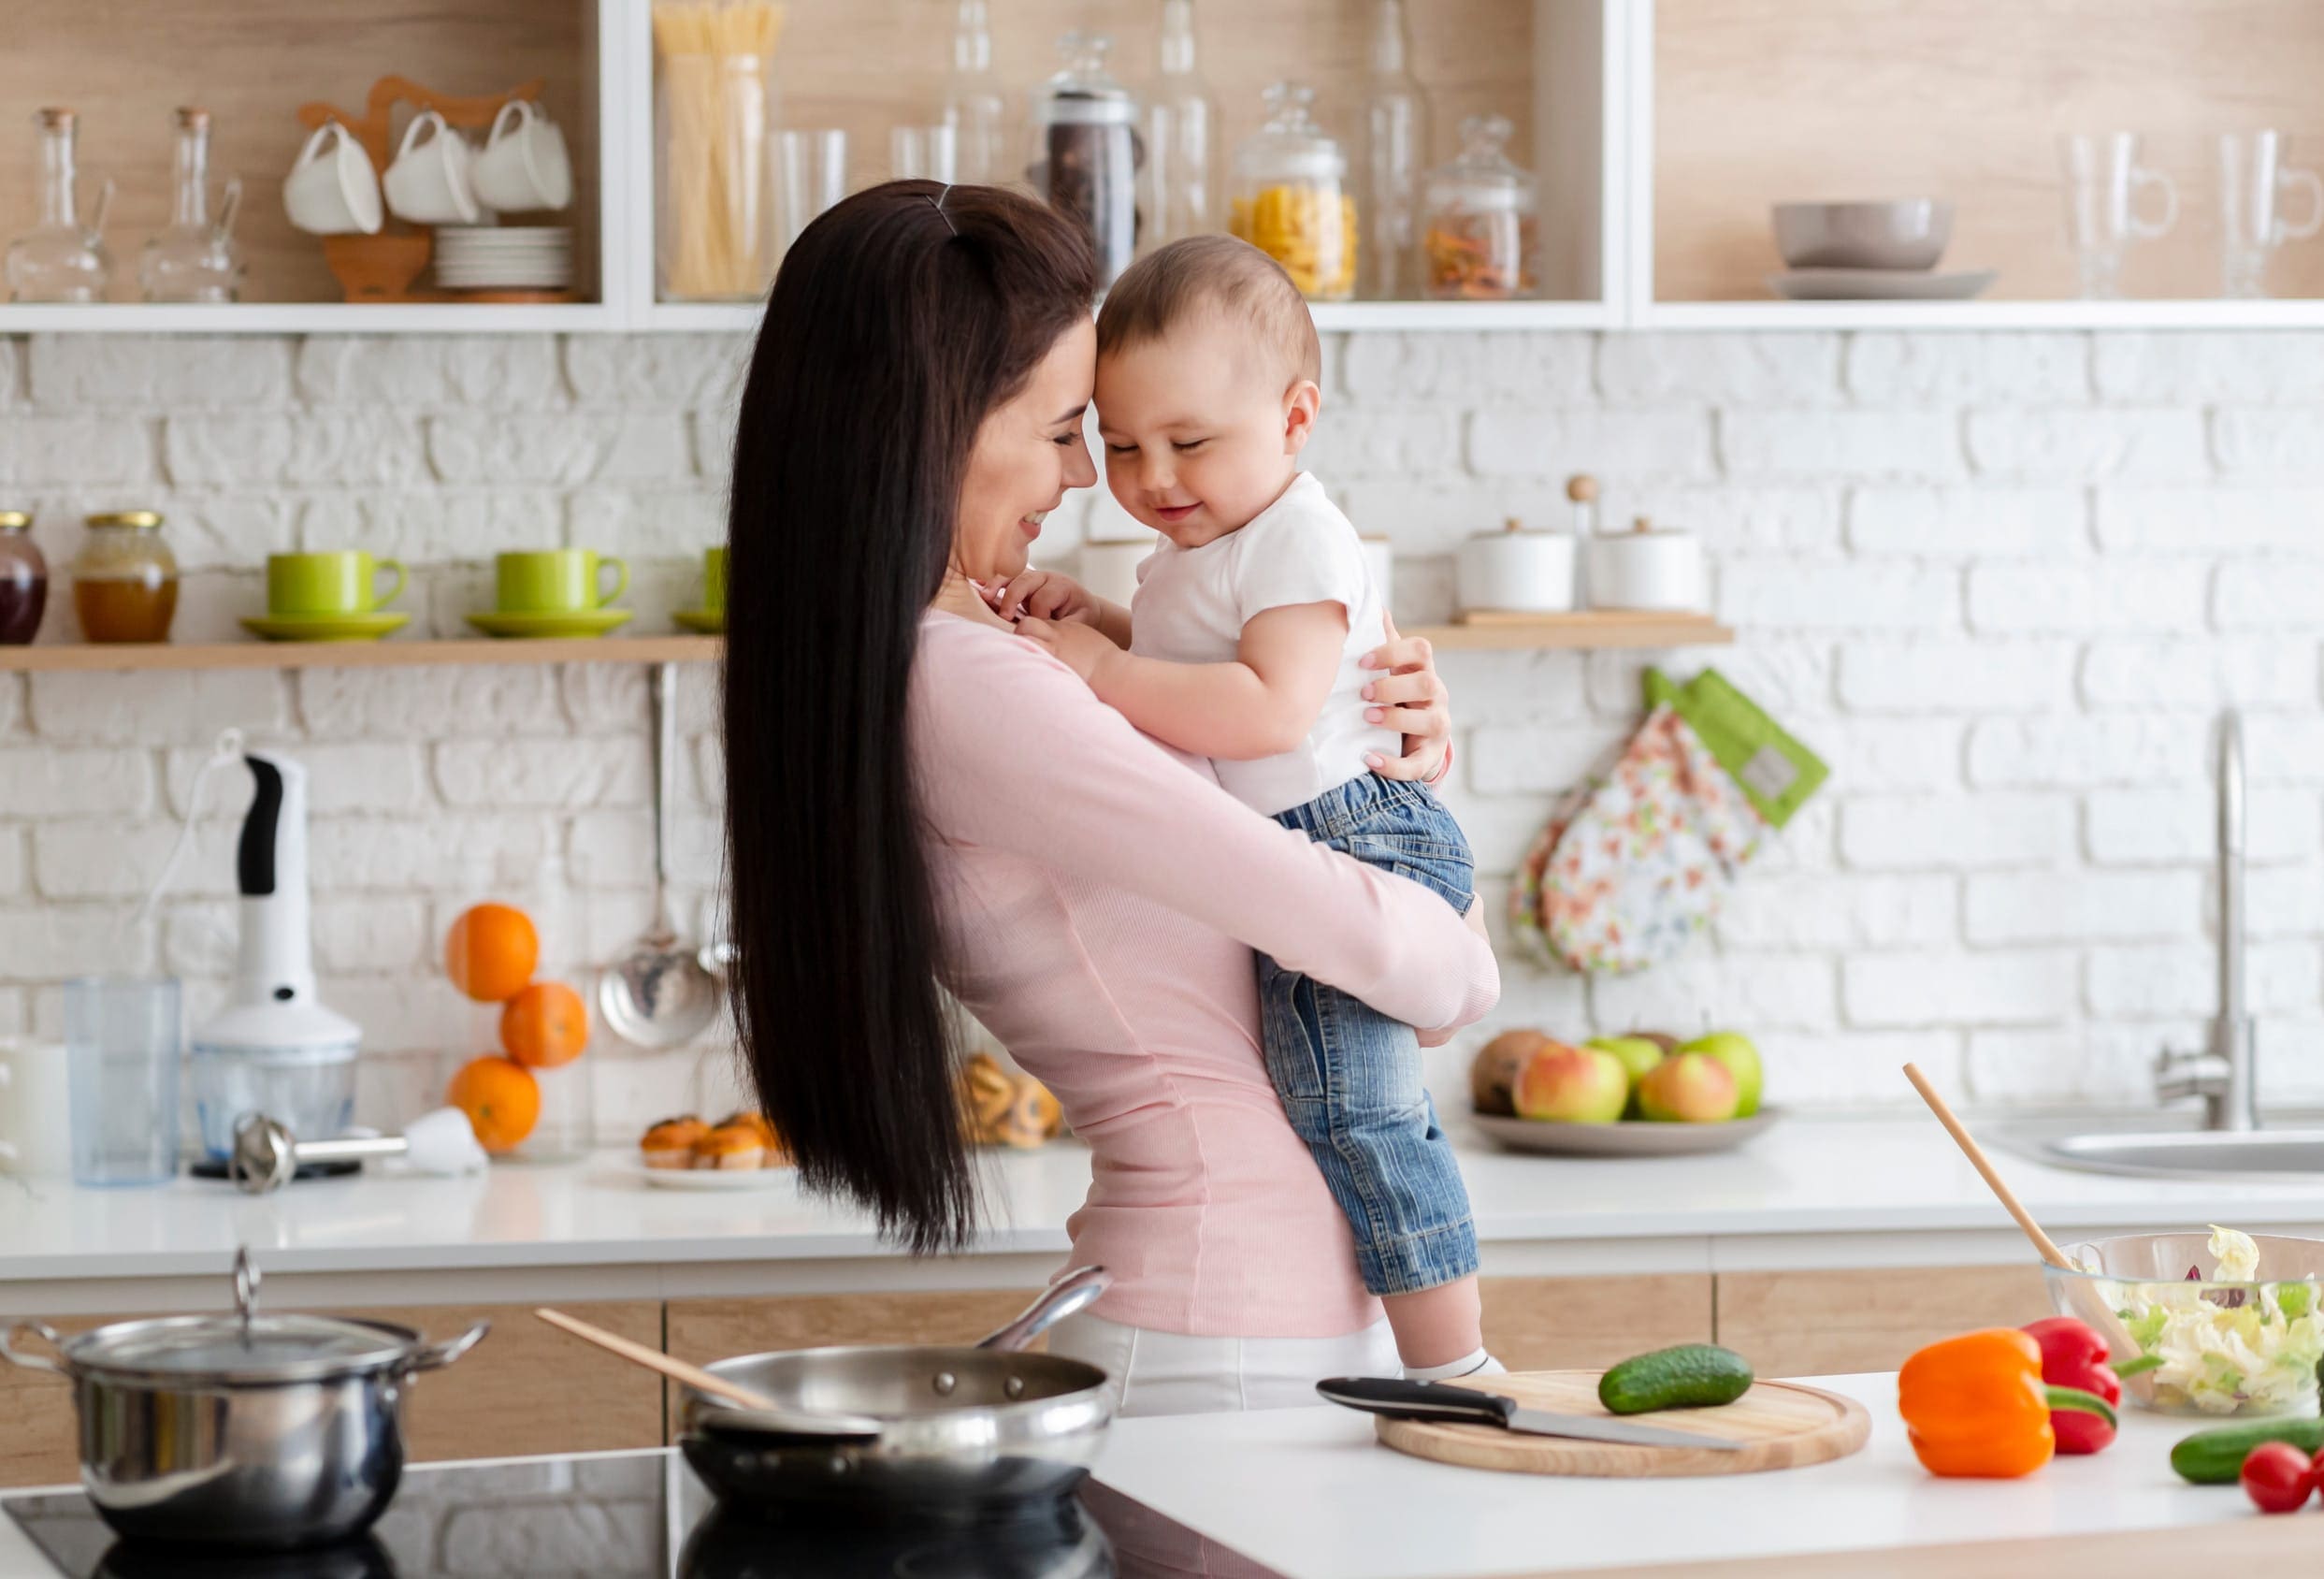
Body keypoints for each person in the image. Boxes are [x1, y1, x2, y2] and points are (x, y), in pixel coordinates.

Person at [720, 181, 1499, 1416]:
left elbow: (1341, 928)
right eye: (1064, 428)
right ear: (932, 427)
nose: (1091, 475)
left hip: (1244, 1318)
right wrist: (1438, 919)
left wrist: (1372, 749)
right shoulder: (967, 686)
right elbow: (1428, 978)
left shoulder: (957, 659)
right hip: (1223, 1329)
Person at [993, 236, 1494, 1383]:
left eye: (1189, 441)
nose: (1152, 476)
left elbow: (1267, 711)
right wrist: (1108, 628)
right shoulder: (1198, 549)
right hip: (1307, 834)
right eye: (1117, 445)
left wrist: (1100, 670)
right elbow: (1194, 682)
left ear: (1296, 418)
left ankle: (1458, 1368)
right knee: (1337, 1107)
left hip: (1350, 828)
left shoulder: (1301, 534)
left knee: (1364, 1115)